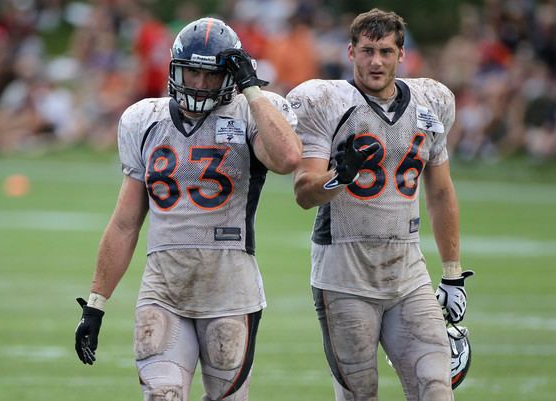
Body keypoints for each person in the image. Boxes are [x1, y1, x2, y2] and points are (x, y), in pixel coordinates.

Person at [74, 17, 301, 401]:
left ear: (230, 76)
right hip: (164, 287)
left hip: (231, 289)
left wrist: (252, 90)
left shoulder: (250, 112)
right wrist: (96, 303)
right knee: (161, 395)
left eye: (209, 75)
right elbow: (126, 222)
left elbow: (288, 158)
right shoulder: (144, 119)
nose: (197, 84)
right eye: (190, 72)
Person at [286, 8, 474, 401]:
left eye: (386, 51)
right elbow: (304, 191)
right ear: (350, 51)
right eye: (368, 50)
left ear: (401, 54)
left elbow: (440, 192)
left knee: (436, 389)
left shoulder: (431, 102)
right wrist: (339, 176)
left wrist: (452, 272)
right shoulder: (326, 102)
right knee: (359, 394)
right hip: (343, 274)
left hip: (408, 271)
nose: (376, 61)